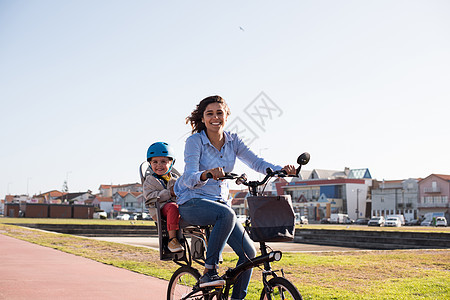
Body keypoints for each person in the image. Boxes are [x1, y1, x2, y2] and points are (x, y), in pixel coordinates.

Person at [174, 95, 296, 299]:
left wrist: (281, 171)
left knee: (249, 254)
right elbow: (188, 177)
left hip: (219, 204)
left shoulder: (233, 140)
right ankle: (209, 271)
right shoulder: (195, 141)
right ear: (203, 118)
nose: (215, 117)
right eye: (209, 114)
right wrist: (206, 174)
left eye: (219, 113)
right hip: (192, 201)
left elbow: (257, 162)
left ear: (227, 115)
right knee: (227, 214)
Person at [143, 142, 184, 253]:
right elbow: (149, 196)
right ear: (150, 163)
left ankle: (204, 237)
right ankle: (172, 240)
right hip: (159, 209)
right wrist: (169, 193)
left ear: (171, 163)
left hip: (177, 208)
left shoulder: (176, 179)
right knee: (172, 207)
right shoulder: (150, 181)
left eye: (163, 162)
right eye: (155, 162)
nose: (159, 165)